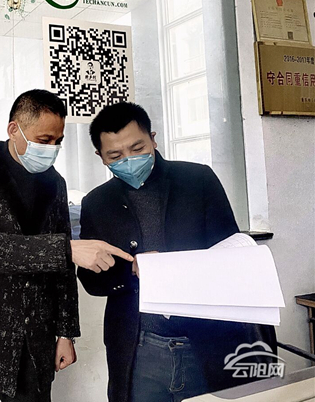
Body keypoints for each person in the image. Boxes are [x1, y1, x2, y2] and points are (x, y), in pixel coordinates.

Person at [0, 89, 134, 402]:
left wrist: (66, 332)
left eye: (57, 141)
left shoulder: (55, 183)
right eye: (43, 140)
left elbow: (62, 272)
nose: (51, 149)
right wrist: (67, 249)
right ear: (14, 129)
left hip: (36, 342)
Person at [78, 102, 277, 402]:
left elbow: (232, 256)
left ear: (153, 139)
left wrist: (172, 268)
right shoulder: (96, 202)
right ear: (101, 157)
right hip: (138, 348)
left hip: (206, 342)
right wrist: (132, 271)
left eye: (137, 148)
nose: (129, 160)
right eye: (115, 156)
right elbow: (92, 282)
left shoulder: (198, 180)